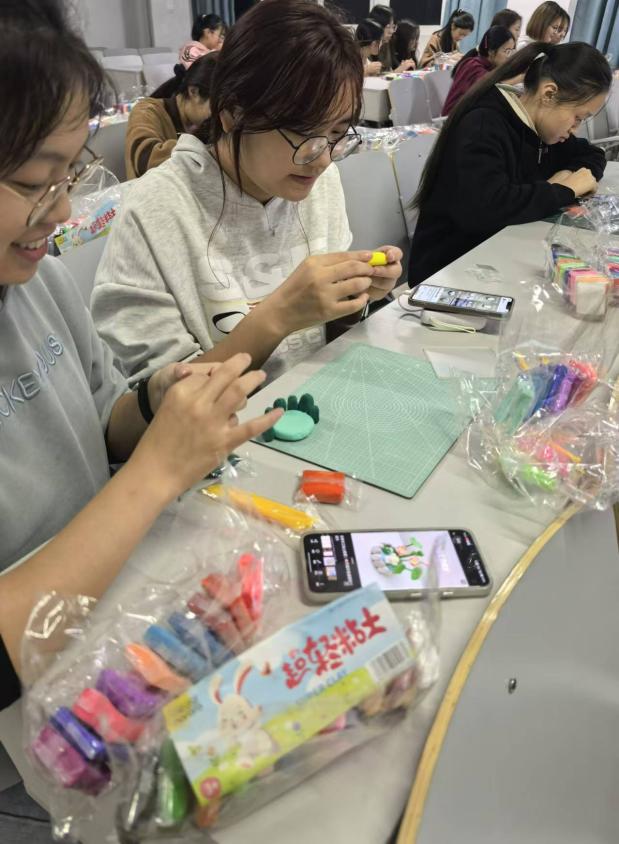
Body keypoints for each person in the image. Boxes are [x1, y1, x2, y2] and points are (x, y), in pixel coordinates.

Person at [0, 0, 280, 711]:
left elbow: (100, 421)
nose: (63, 213)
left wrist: (155, 404)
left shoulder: (36, 283)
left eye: (69, 175)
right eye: (33, 182)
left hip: (113, 622)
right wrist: (156, 474)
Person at [92, 0, 401, 386]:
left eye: (337, 133)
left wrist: (356, 296)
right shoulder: (154, 210)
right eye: (303, 133)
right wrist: (278, 317)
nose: (322, 159)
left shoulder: (319, 182)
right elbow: (159, 404)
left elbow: (328, 340)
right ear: (232, 113)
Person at [408, 42, 610, 286]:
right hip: (449, 268)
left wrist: (568, 174)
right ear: (548, 94)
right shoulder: (484, 124)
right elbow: (486, 209)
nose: (575, 128)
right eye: (577, 118)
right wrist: (565, 189)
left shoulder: (544, 129)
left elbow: (593, 154)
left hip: (497, 251)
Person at [125, 52, 218, 180]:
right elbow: (145, 160)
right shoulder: (146, 111)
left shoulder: (196, 123)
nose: (222, 117)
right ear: (194, 92)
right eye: (217, 107)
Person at [442, 26, 515, 116]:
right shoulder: (473, 66)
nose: (510, 57)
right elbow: (491, 86)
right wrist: (519, 78)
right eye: (507, 51)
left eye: (512, 51)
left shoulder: (490, 66)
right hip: (453, 119)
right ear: (491, 51)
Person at [368, 5, 410, 73]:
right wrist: (397, 71)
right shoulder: (367, 44)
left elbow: (388, 70)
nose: (391, 31)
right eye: (388, 27)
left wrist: (402, 66)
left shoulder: (387, 43)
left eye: (393, 27)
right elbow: (373, 76)